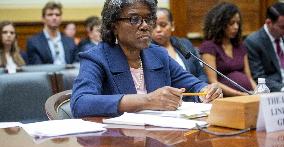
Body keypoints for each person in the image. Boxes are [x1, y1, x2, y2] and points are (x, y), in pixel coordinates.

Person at [71, 0, 222, 118]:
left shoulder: (158, 55)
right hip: (116, 144)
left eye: (148, 19)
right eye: (134, 19)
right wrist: (147, 101)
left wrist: (207, 91)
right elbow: (80, 103)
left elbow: (194, 86)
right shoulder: (96, 58)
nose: (145, 26)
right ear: (114, 25)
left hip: (158, 144)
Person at [199, 2, 256, 97]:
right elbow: (212, 81)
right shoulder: (209, 46)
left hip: (247, 94)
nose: (236, 27)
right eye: (231, 23)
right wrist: (240, 94)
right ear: (220, 23)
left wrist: (257, 91)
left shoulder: (240, 46)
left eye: (238, 23)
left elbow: (249, 77)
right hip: (225, 98)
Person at [152, 7, 208, 83]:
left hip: (195, 92)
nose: (158, 30)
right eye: (153, 26)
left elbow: (201, 73)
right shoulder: (147, 50)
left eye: (163, 25)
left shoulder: (184, 44)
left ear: (172, 26)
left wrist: (201, 88)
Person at [244, 2, 284, 92]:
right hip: (276, 91)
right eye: (282, 27)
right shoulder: (253, 42)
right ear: (269, 23)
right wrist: (282, 88)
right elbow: (259, 78)